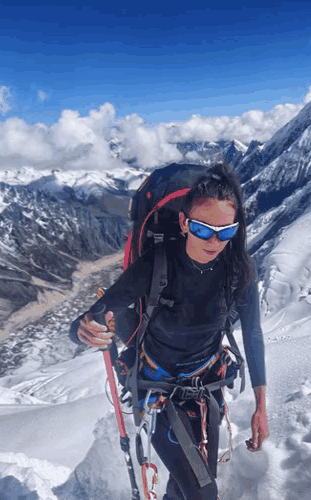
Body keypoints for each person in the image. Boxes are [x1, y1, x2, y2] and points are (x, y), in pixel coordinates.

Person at [74, 163, 268, 500]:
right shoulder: (157, 264)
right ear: (184, 222)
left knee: (186, 484)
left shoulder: (239, 269)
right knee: (204, 490)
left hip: (208, 386)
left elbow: (252, 334)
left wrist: (261, 407)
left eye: (225, 232)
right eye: (203, 229)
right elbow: (95, 315)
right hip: (158, 390)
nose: (215, 241)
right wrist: (83, 330)